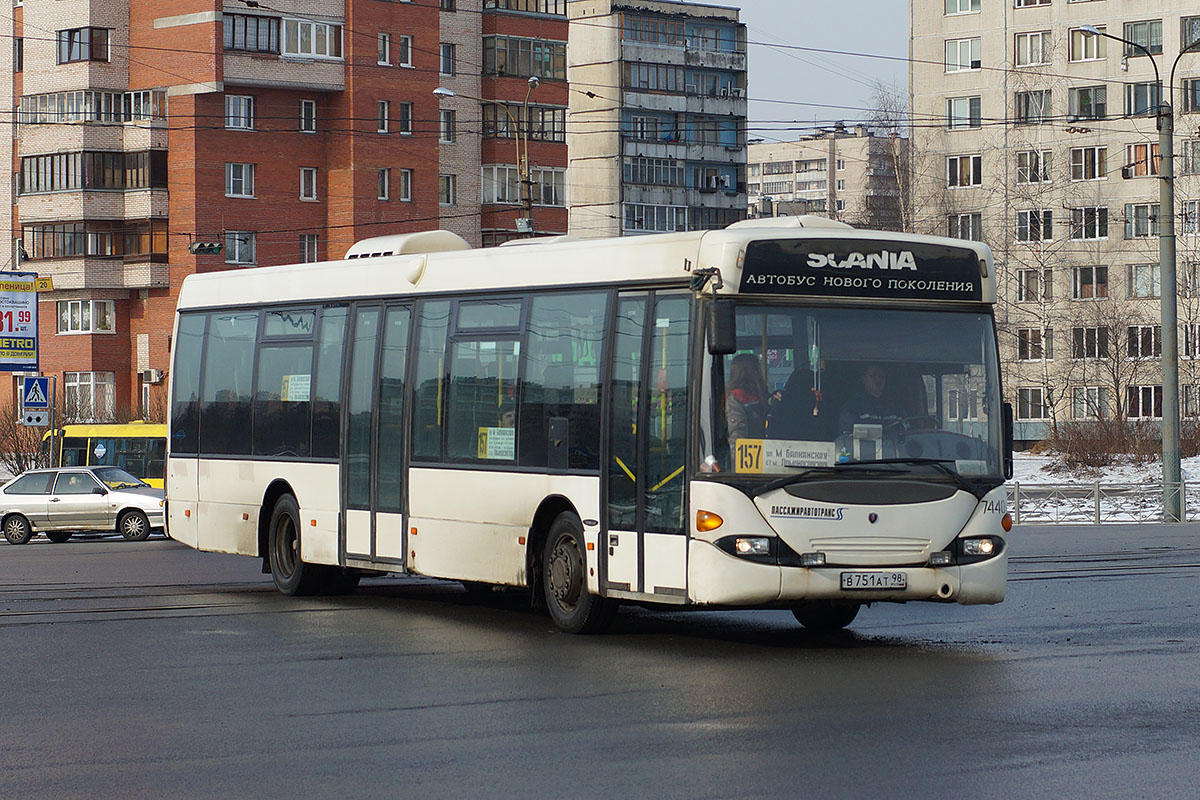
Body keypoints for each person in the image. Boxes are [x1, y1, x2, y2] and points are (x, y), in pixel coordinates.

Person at [838, 364, 907, 433]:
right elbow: (846, 437)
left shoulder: (896, 407)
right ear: (864, 379)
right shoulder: (852, 407)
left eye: (881, 375)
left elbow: (908, 433)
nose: (878, 379)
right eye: (873, 375)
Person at [726, 353, 768, 447]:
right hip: (747, 453)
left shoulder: (759, 395)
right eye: (757, 369)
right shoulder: (736, 397)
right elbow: (737, 434)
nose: (760, 372)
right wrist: (737, 460)